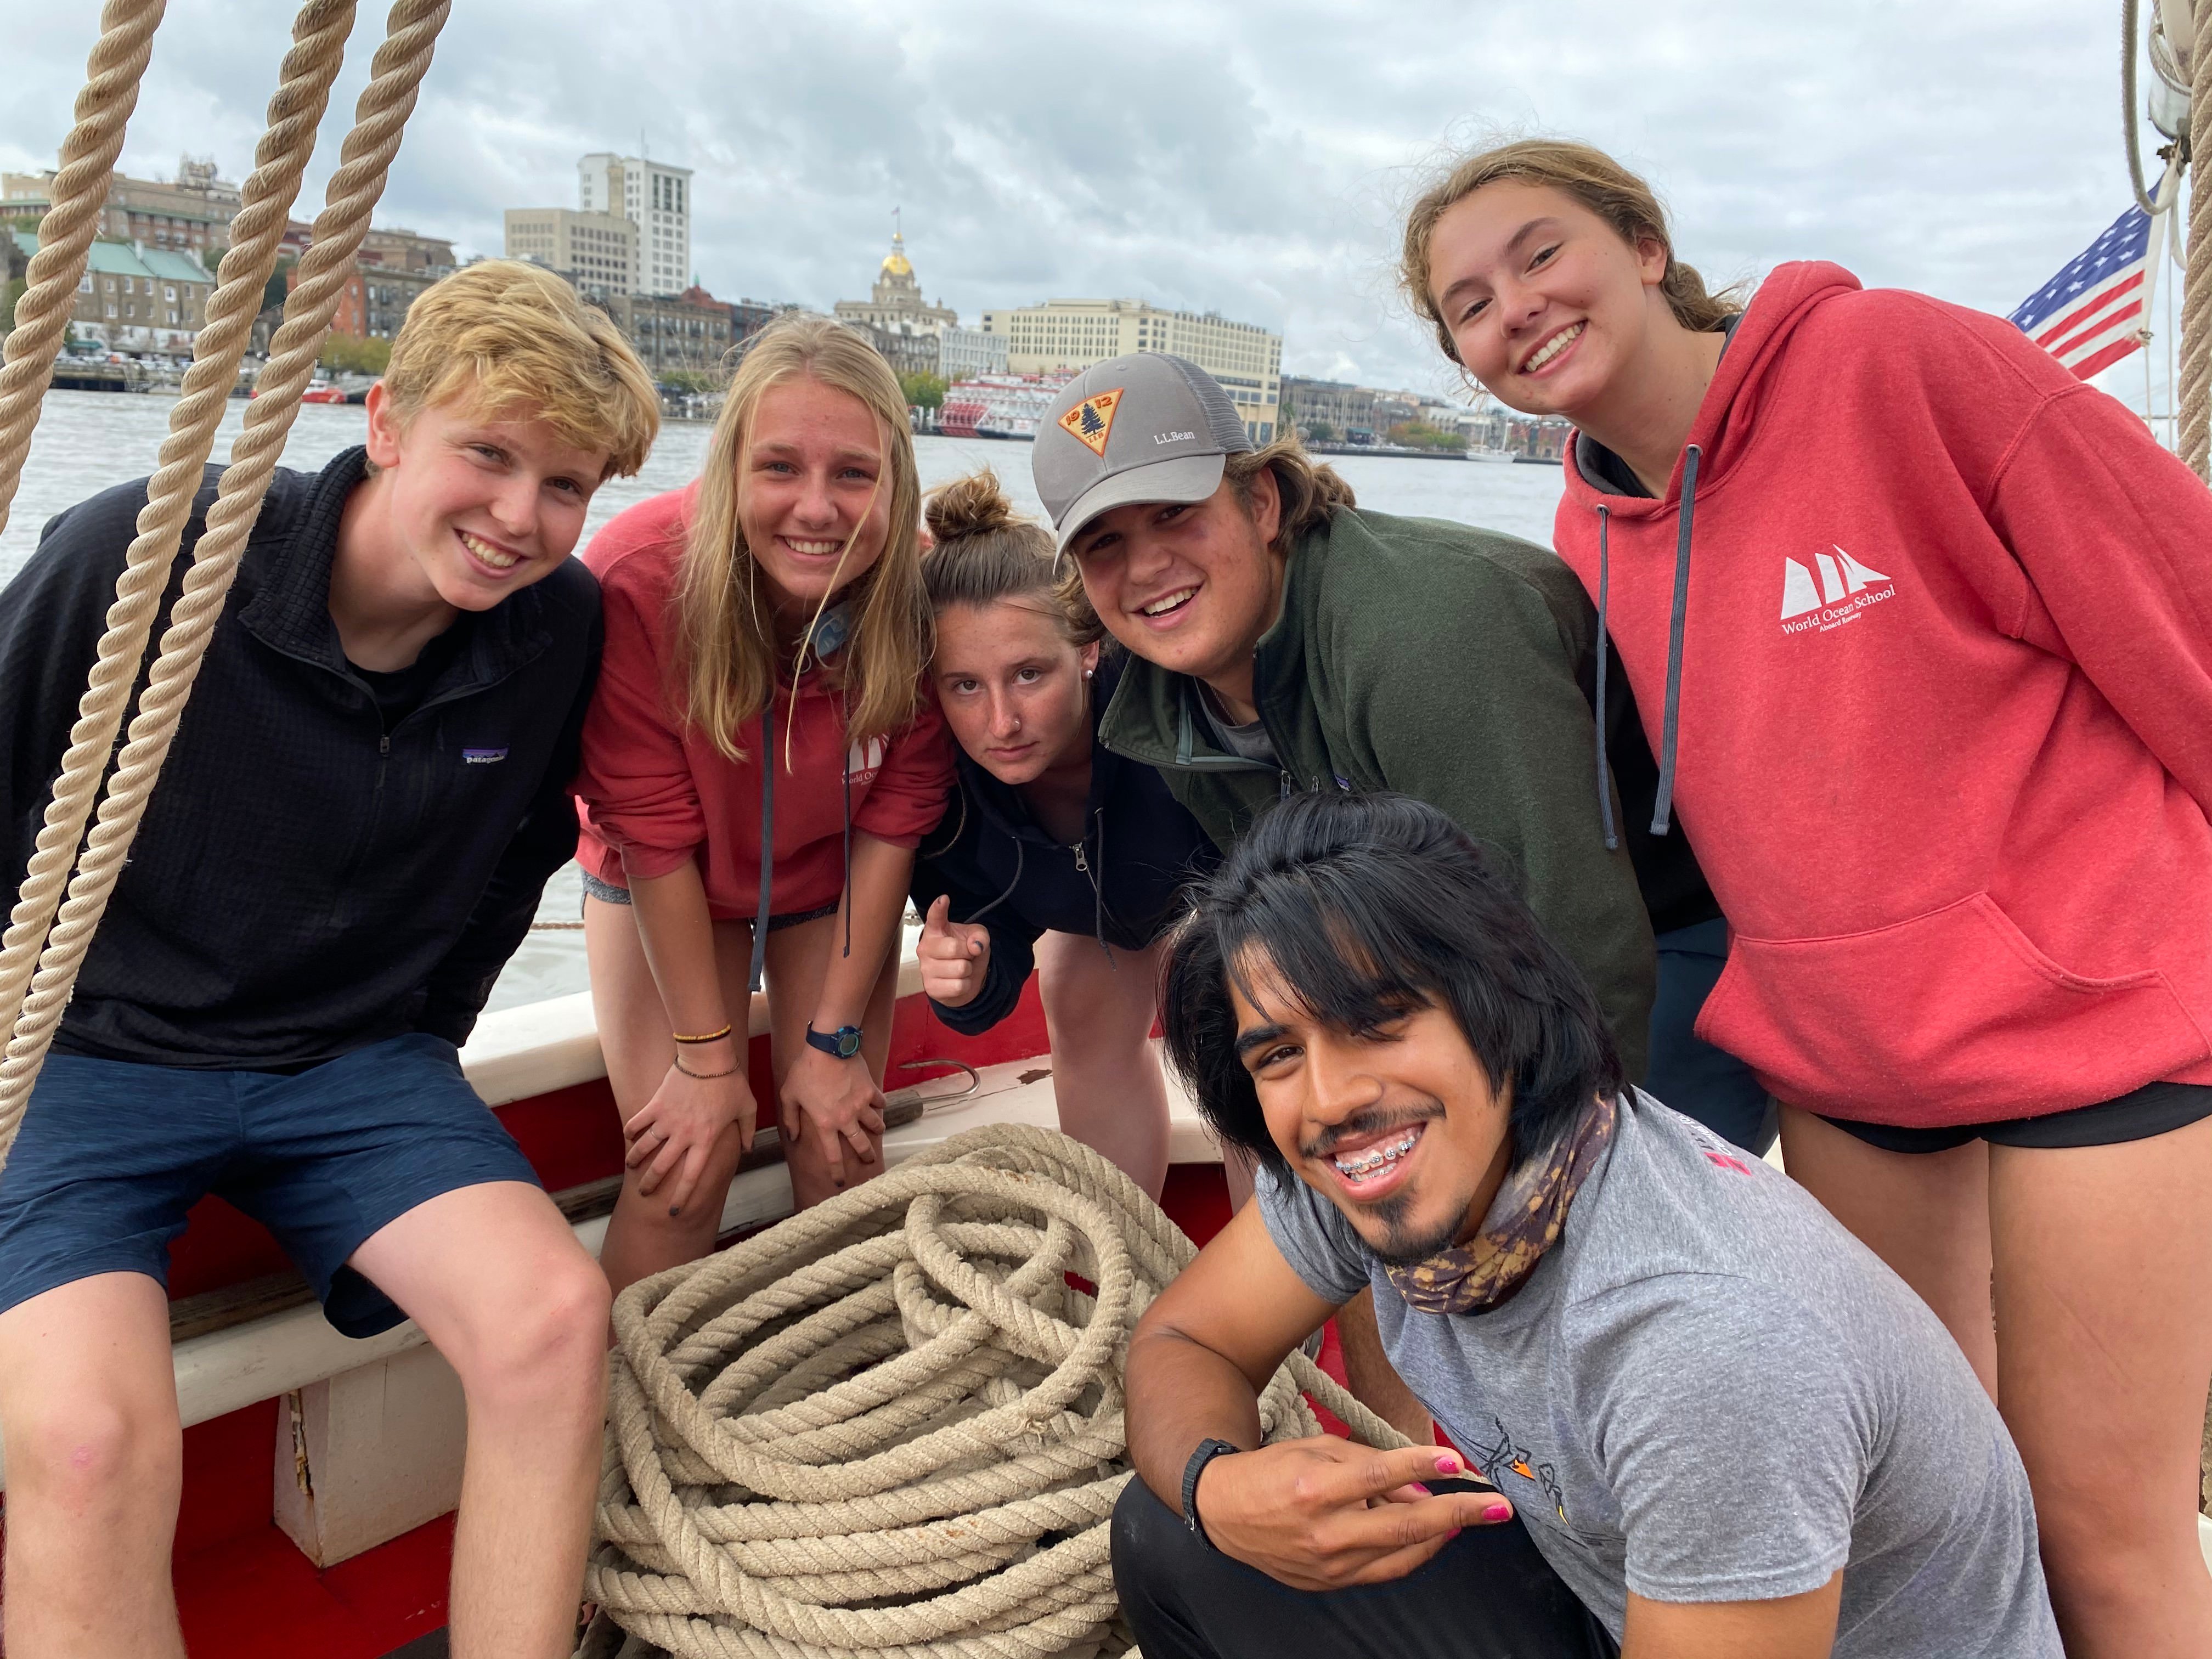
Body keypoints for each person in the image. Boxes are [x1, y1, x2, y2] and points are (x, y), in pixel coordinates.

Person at [1400, 136, 2212, 1658]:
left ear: (1644, 245)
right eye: (1466, 305)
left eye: (1537, 253)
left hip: (2092, 1014)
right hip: (1850, 1060)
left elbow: (2183, 614)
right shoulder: (1588, 521)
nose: (1514, 306)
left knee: (2103, 1535)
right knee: (1935, 1508)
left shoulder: (1898, 363)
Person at [0, 259, 658, 1659]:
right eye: (490, 454)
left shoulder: (556, 631)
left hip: (351, 1071)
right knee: (80, 1445)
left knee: (553, 1320)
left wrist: (421, 1040)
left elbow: (512, 865)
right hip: (87, 1060)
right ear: (385, 425)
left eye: (566, 486)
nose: (520, 519)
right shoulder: (147, 558)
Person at [1117, 790, 2062, 1659]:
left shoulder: (1705, 1348)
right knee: (1170, 1536)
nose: (1331, 1097)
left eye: (1379, 1022)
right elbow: (1184, 1339)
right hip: (1612, 1602)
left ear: (1502, 1009)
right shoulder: (1370, 1160)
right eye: (1280, 1052)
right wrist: (1219, 1489)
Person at [1034, 348, 1672, 1437]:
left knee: (1579, 1287)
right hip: (1438, 968)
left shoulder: (1423, 637)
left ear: (1264, 499)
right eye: (1104, 546)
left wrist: (1530, 1230)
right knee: (1352, 1171)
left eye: (1176, 516)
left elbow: (1582, 945)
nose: (1144, 570)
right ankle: (1415, 1482)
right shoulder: (1173, 695)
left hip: (1658, 957)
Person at [574, 314, 952, 1293]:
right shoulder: (638, 579)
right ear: (732, 466)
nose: (817, 510)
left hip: (826, 887)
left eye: (855, 476)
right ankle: (631, 1424)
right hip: (668, 887)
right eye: (780, 468)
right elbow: (650, 835)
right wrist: (707, 1066)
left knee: (840, 1150)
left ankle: (832, 1423)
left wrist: (831, 1042)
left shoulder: (918, 590)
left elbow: (896, 815)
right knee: (682, 1172)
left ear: (896, 482)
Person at [909, 471, 1217, 1199]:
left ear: (1088, 649)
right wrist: (972, 972)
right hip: (1105, 915)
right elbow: (991, 932)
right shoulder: (942, 785)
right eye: (965, 685)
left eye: (1028, 674)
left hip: (1225, 894)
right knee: (1075, 991)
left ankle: (1276, 1296)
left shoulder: (1169, 706)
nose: (1001, 722)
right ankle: (1120, 1258)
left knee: (1229, 1003)